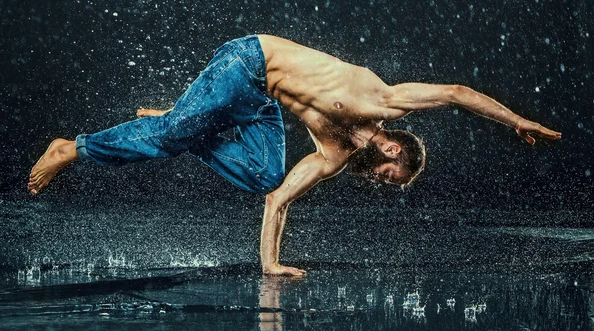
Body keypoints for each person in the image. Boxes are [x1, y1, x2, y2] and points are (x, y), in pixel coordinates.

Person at [28, 34, 561, 276]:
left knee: (264, 174)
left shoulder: (332, 153)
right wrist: (516, 120)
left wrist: (270, 264)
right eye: (391, 177)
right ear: (394, 150)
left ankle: (179, 121)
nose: (380, 183)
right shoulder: (382, 99)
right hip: (246, 60)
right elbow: (454, 93)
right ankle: (73, 148)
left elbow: (278, 201)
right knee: (171, 137)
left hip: (254, 103)